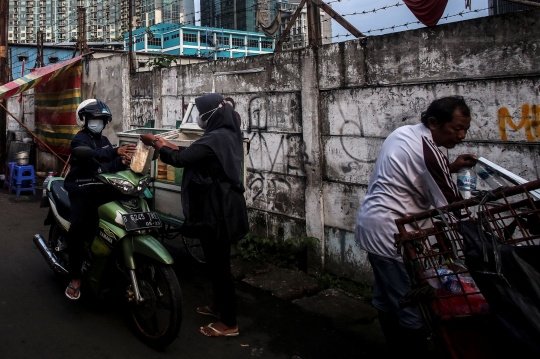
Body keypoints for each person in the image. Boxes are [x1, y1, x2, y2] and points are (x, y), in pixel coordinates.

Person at [355, 96, 477, 354]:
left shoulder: (404, 134)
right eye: (456, 129)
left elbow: (415, 172)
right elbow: (451, 203)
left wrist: (450, 167)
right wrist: (478, 235)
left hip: (374, 225)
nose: (462, 136)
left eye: (465, 129)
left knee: (387, 299)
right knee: (413, 309)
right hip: (393, 235)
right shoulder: (429, 151)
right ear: (434, 122)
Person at [140, 93, 249, 337]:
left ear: (210, 114)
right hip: (224, 204)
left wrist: (155, 142)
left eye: (200, 113)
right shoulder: (227, 134)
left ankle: (229, 324)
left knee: (220, 266)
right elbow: (193, 153)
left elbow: (179, 158)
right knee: (214, 261)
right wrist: (167, 144)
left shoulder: (215, 139)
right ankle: (219, 308)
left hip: (218, 209)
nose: (198, 118)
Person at [64, 99, 136, 300]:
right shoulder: (79, 140)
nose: (98, 122)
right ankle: (75, 277)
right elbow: (93, 156)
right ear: (85, 120)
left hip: (101, 190)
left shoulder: (104, 141)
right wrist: (114, 152)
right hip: (81, 190)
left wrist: (121, 162)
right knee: (78, 229)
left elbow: (108, 164)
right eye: (94, 118)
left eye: (101, 119)